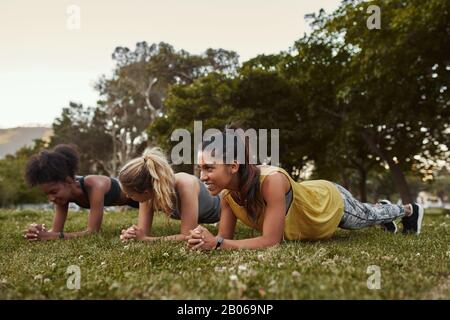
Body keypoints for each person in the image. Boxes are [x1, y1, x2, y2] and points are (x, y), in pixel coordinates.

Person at [186, 128, 424, 250]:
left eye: (209, 168)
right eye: (200, 168)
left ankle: (408, 210)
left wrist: (216, 244)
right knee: (369, 213)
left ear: (233, 166)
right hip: (309, 194)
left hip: (327, 204)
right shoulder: (229, 196)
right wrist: (203, 239)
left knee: (366, 217)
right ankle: (382, 211)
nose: (202, 176)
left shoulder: (271, 181)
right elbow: (223, 239)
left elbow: (271, 241)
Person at [23, 144, 139, 241]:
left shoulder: (94, 185)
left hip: (140, 196)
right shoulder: (62, 196)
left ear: (68, 180)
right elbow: (56, 231)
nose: (51, 198)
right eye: (47, 194)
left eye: (53, 192)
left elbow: (93, 233)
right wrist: (39, 233)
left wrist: (54, 236)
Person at [118, 147, 221, 242]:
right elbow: (143, 232)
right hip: (202, 216)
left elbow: (187, 235)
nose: (127, 197)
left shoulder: (185, 184)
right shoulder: (149, 192)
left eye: (130, 195)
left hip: (218, 210)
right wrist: (132, 234)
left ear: (145, 192)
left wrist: (146, 240)